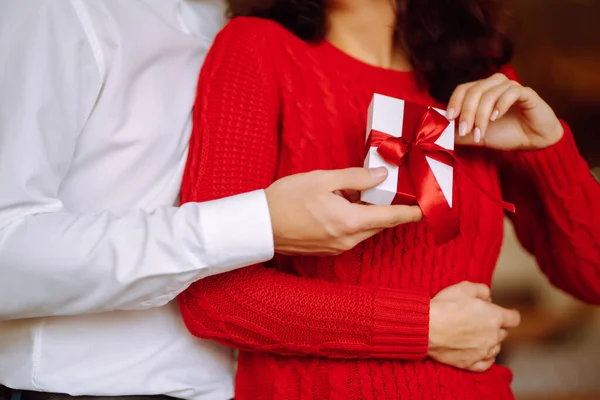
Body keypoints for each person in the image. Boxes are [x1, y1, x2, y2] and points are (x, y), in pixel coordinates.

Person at [0, 2, 424, 400]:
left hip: (243, 385)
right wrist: (255, 225)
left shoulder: (274, 26)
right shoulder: (61, 11)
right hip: (86, 387)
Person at [177, 0, 600, 398]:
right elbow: (213, 296)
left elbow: (592, 277)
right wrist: (426, 328)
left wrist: (550, 147)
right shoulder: (256, 47)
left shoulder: (478, 78)